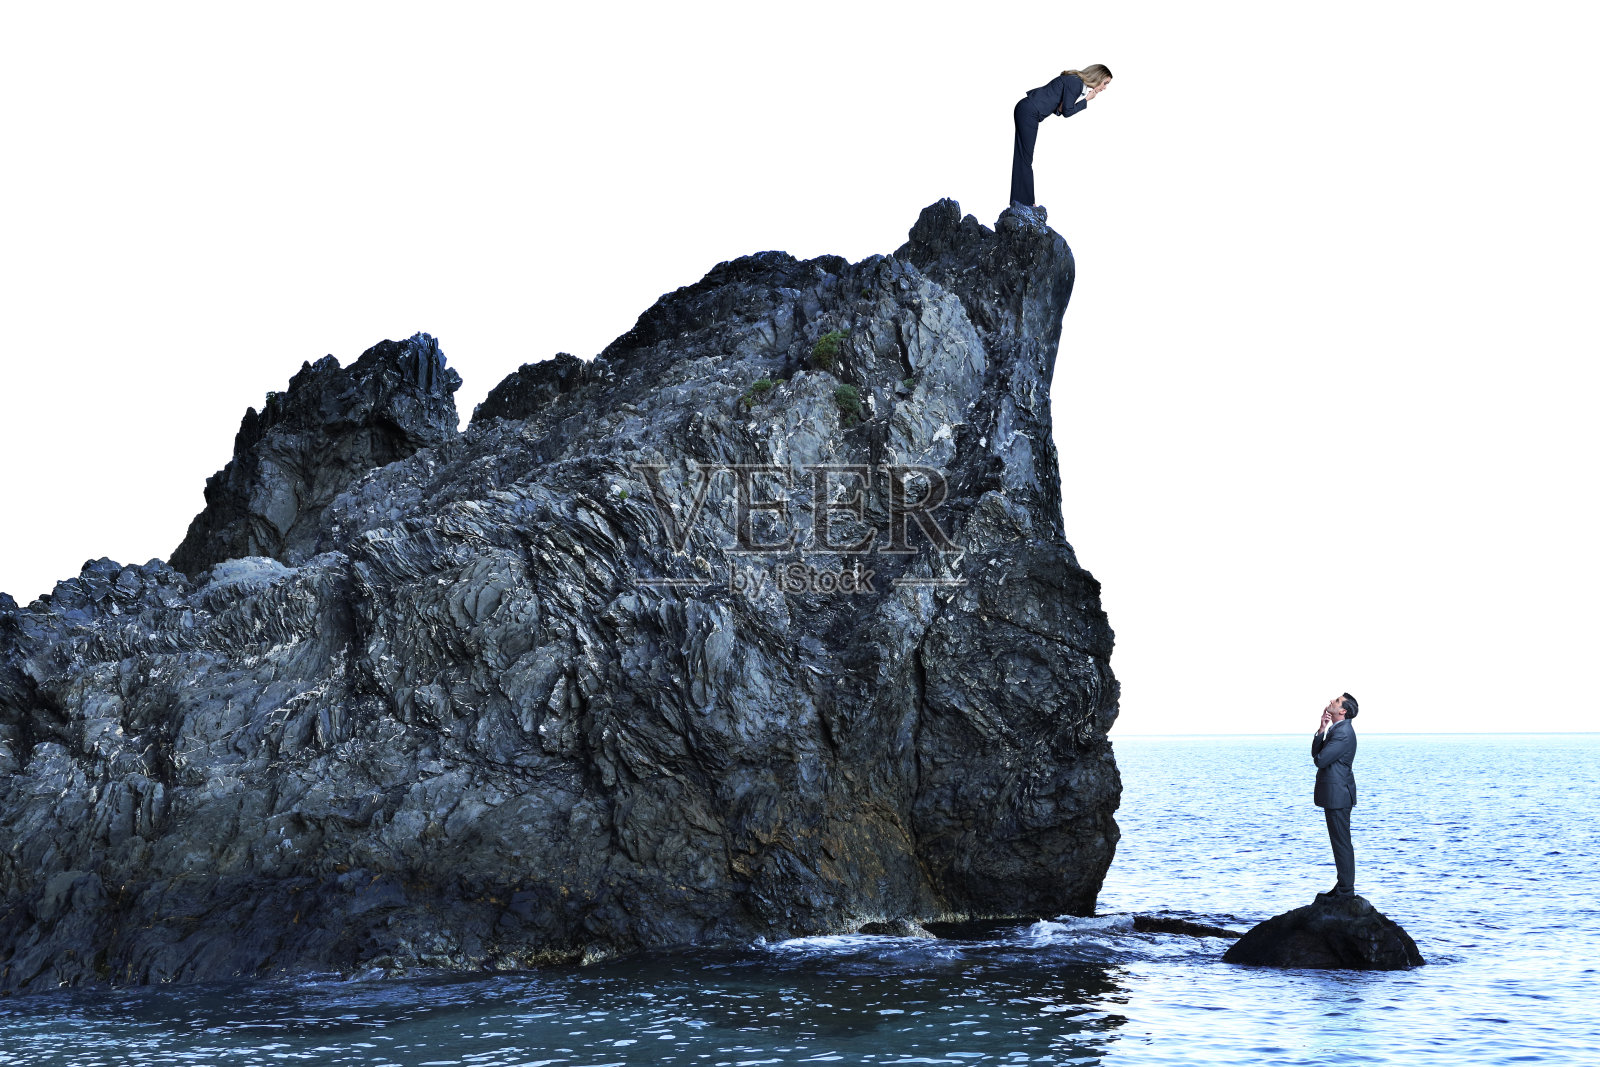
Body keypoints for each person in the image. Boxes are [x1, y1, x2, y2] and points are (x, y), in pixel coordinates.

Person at [1011, 64, 1113, 208]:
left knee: (1023, 157)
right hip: (1029, 111)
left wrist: (1075, 102)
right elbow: (1067, 112)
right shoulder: (1076, 82)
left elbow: (1060, 108)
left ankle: (1019, 202)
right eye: (1105, 83)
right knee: (1025, 158)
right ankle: (1025, 203)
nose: (1104, 88)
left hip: (1027, 110)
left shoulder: (1076, 82)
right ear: (1097, 77)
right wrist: (1086, 100)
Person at [1312, 693, 1360, 896]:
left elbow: (1320, 760)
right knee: (1339, 841)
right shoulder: (1337, 730)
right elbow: (1317, 755)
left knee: (1341, 842)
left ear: (1343, 711)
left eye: (1337, 701)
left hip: (1338, 794)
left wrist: (1323, 743)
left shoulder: (1343, 733)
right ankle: (1342, 886)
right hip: (1336, 794)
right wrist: (1321, 729)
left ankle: (1346, 889)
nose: (1332, 701)